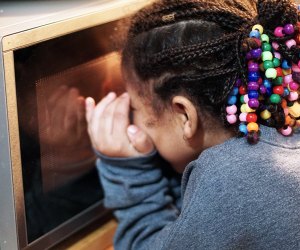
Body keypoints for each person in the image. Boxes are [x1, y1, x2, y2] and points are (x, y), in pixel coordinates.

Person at [85, 0, 300, 249]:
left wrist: (130, 171)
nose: (133, 119)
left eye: (134, 107)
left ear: (185, 116)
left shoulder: (227, 179)